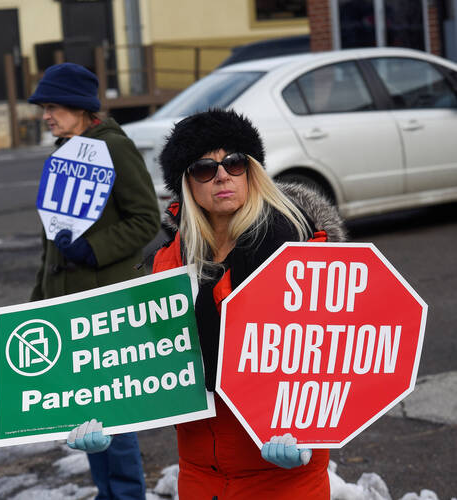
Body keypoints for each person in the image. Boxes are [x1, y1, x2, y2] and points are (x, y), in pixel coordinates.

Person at [68, 108, 347, 499]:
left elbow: (332, 352)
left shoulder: (297, 249)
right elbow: (148, 358)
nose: (222, 175)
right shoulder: (169, 260)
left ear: (251, 170)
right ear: (186, 182)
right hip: (201, 476)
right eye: (204, 167)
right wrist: (108, 416)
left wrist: (308, 432)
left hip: (283, 475)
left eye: (234, 162)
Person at [28, 63, 161, 500]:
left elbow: (147, 219)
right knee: (85, 418)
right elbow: (52, 242)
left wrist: (96, 248)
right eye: (44, 107)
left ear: (81, 108)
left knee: (114, 417)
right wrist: (38, 301)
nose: (46, 115)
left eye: (52, 106)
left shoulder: (114, 149)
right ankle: (108, 493)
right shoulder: (63, 153)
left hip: (105, 307)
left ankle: (126, 495)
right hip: (65, 306)